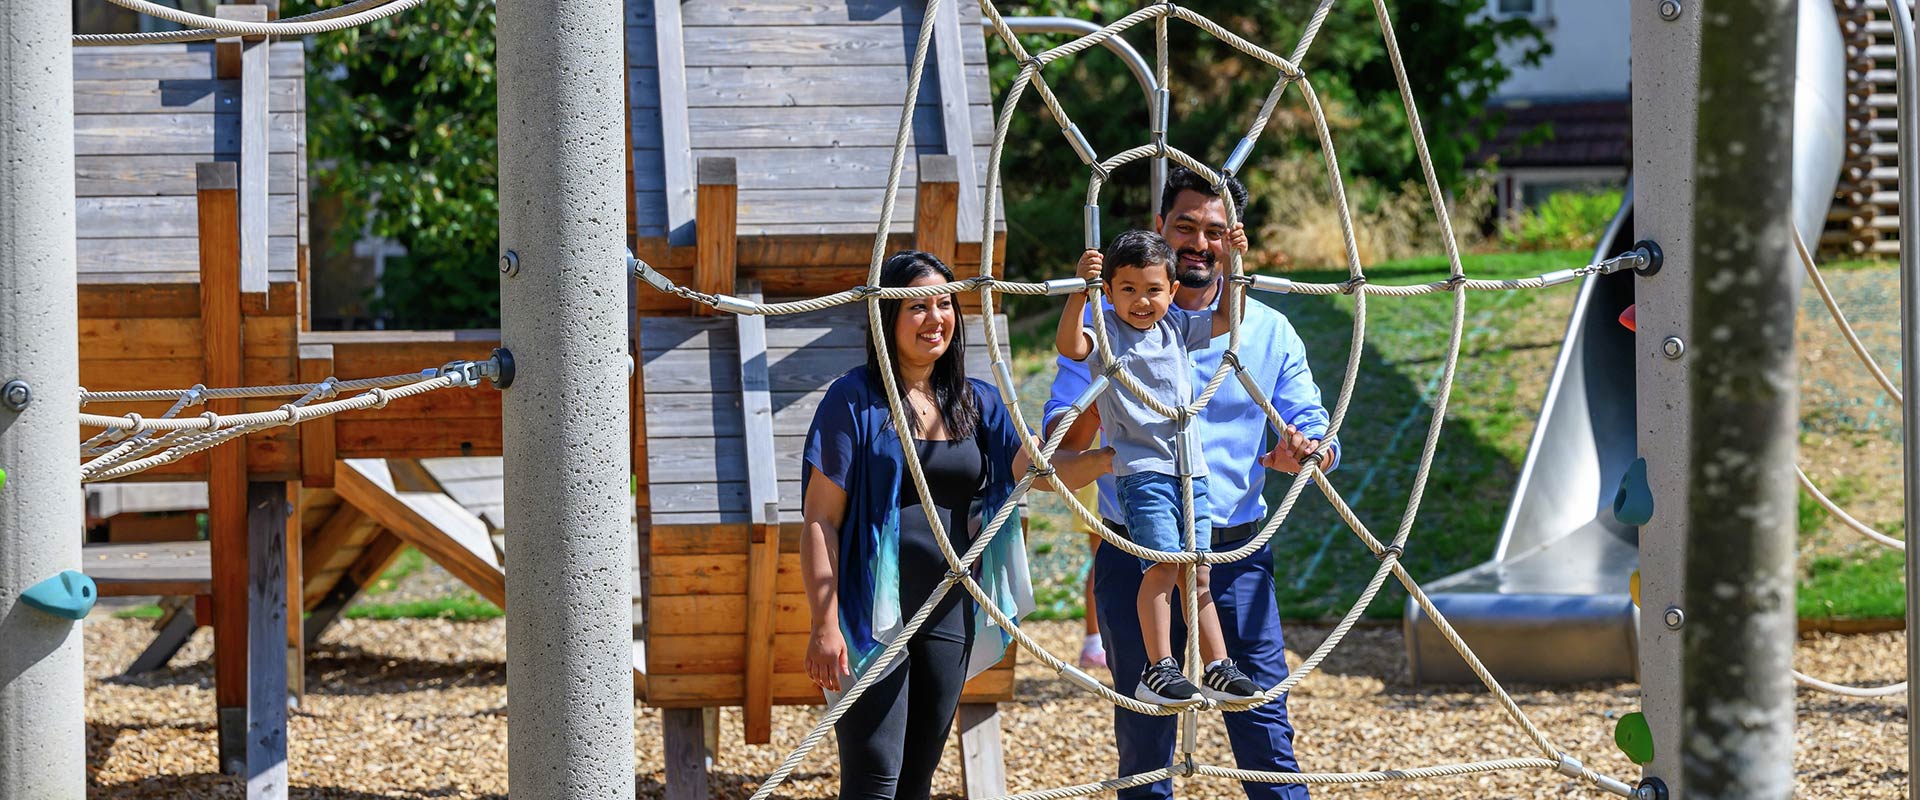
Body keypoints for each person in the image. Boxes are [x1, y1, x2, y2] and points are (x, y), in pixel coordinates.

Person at [1044, 167, 1339, 800]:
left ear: (1232, 241)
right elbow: (1060, 432)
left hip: (1233, 549)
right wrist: (1101, 417)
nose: (1198, 242)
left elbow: (1310, 419)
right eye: (1185, 226)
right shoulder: (1114, 328)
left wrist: (1310, 448)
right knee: (1146, 732)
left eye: (1214, 231)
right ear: (1159, 231)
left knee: (1261, 719)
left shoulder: (1261, 329)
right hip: (1137, 547)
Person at [801, 250, 1108, 800]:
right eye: (916, 306)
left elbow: (1038, 471)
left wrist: (1115, 457)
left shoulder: (977, 402)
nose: (935, 317)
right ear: (886, 318)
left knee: (917, 778)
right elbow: (820, 520)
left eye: (944, 303)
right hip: (871, 613)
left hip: (950, 607)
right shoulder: (852, 400)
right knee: (874, 777)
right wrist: (824, 624)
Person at [1055, 229, 1271, 706]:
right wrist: (1079, 292)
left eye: (1153, 290)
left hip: (1191, 469)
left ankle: (1217, 665)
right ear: (1107, 292)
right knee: (1161, 567)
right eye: (1127, 289)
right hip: (1143, 469)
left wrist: (1234, 262)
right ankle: (1160, 668)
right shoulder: (1108, 331)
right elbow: (1071, 345)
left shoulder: (1174, 326)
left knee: (1197, 572)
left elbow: (1224, 318)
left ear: (1173, 291)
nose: (1141, 301)